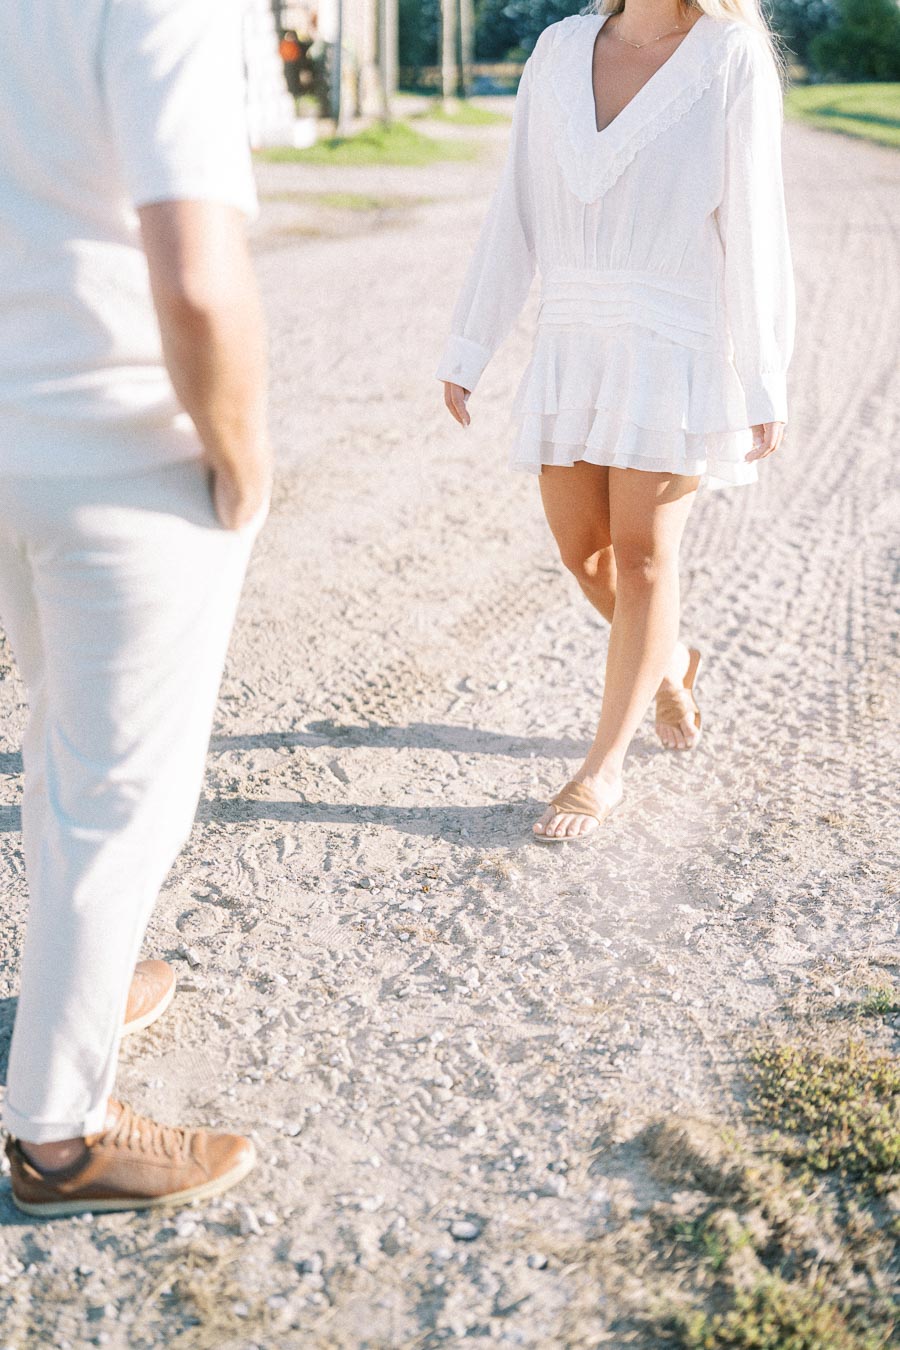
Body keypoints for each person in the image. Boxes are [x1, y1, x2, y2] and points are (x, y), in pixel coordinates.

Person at [0, 0, 272, 1215]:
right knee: (122, 798)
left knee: (64, 748)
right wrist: (244, 455)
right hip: (122, 457)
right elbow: (200, 283)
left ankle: (84, 989)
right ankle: (58, 1137)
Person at [436, 0, 795, 842]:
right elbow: (515, 209)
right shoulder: (559, 49)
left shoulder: (732, 56)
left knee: (642, 560)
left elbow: (755, 223)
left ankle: (603, 770)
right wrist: (469, 344)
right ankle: (669, 661)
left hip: (674, 339)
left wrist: (764, 376)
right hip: (573, 336)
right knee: (584, 554)